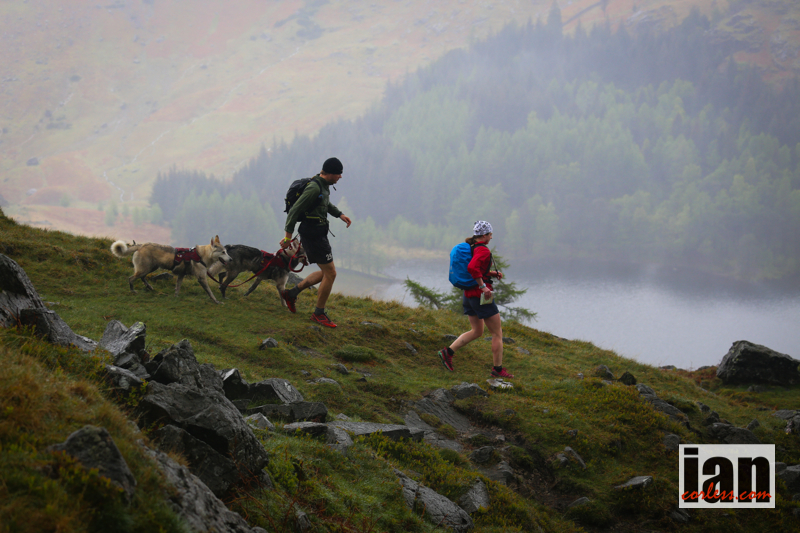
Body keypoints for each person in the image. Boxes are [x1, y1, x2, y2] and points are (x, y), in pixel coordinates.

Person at [280, 157, 352, 328]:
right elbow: (294, 211)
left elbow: (324, 203)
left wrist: (339, 214)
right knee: (331, 273)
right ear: (331, 173)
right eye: (339, 173)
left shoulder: (323, 185)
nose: (340, 177)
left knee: (326, 272)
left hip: (318, 233)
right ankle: (318, 314)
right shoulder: (314, 187)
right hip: (313, 235)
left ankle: (291, 294)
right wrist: (288, 238)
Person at [438, 221, 514, 378]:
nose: (491, 237)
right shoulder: (483, 250)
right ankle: (498, 370)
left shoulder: (471, 247)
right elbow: (472, 268)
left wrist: (491, 273)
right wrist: (483, 286)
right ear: (484, 235)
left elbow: (475, 268)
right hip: (480, 296)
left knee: (477, 331)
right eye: (490, 234)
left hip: (468, 295)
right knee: (497, 333)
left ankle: (448, 352)